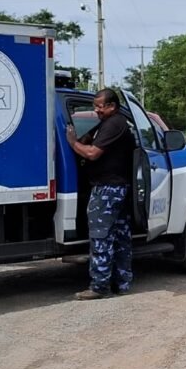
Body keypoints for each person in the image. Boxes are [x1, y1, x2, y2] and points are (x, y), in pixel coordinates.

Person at [65, 89, 136, 300]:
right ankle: (122, 283)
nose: (96, 110)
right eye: (95, 106)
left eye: (99, 106)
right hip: (118, 189)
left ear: (112, 106)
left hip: (108, 190)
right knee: (121, 237)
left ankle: (99, 286)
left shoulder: (115, 123)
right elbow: (89, 141)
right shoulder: (108, 124)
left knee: (101, 238)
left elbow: (92, 153)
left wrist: (71, 142)